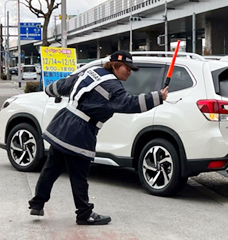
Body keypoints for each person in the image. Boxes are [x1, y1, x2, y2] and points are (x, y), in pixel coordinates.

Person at [28, 50, 169, 225]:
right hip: (80, 132)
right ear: (116, 66)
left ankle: (37, 203)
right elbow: (129, 103)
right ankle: (84, 214)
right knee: (79, 174)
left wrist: (49, 90)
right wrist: (158, 97)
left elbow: (64, 85)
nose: (130, 72)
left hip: (63, 124)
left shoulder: (91, 72)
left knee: (51, 168)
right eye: (127, 68)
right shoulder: (112, 87)